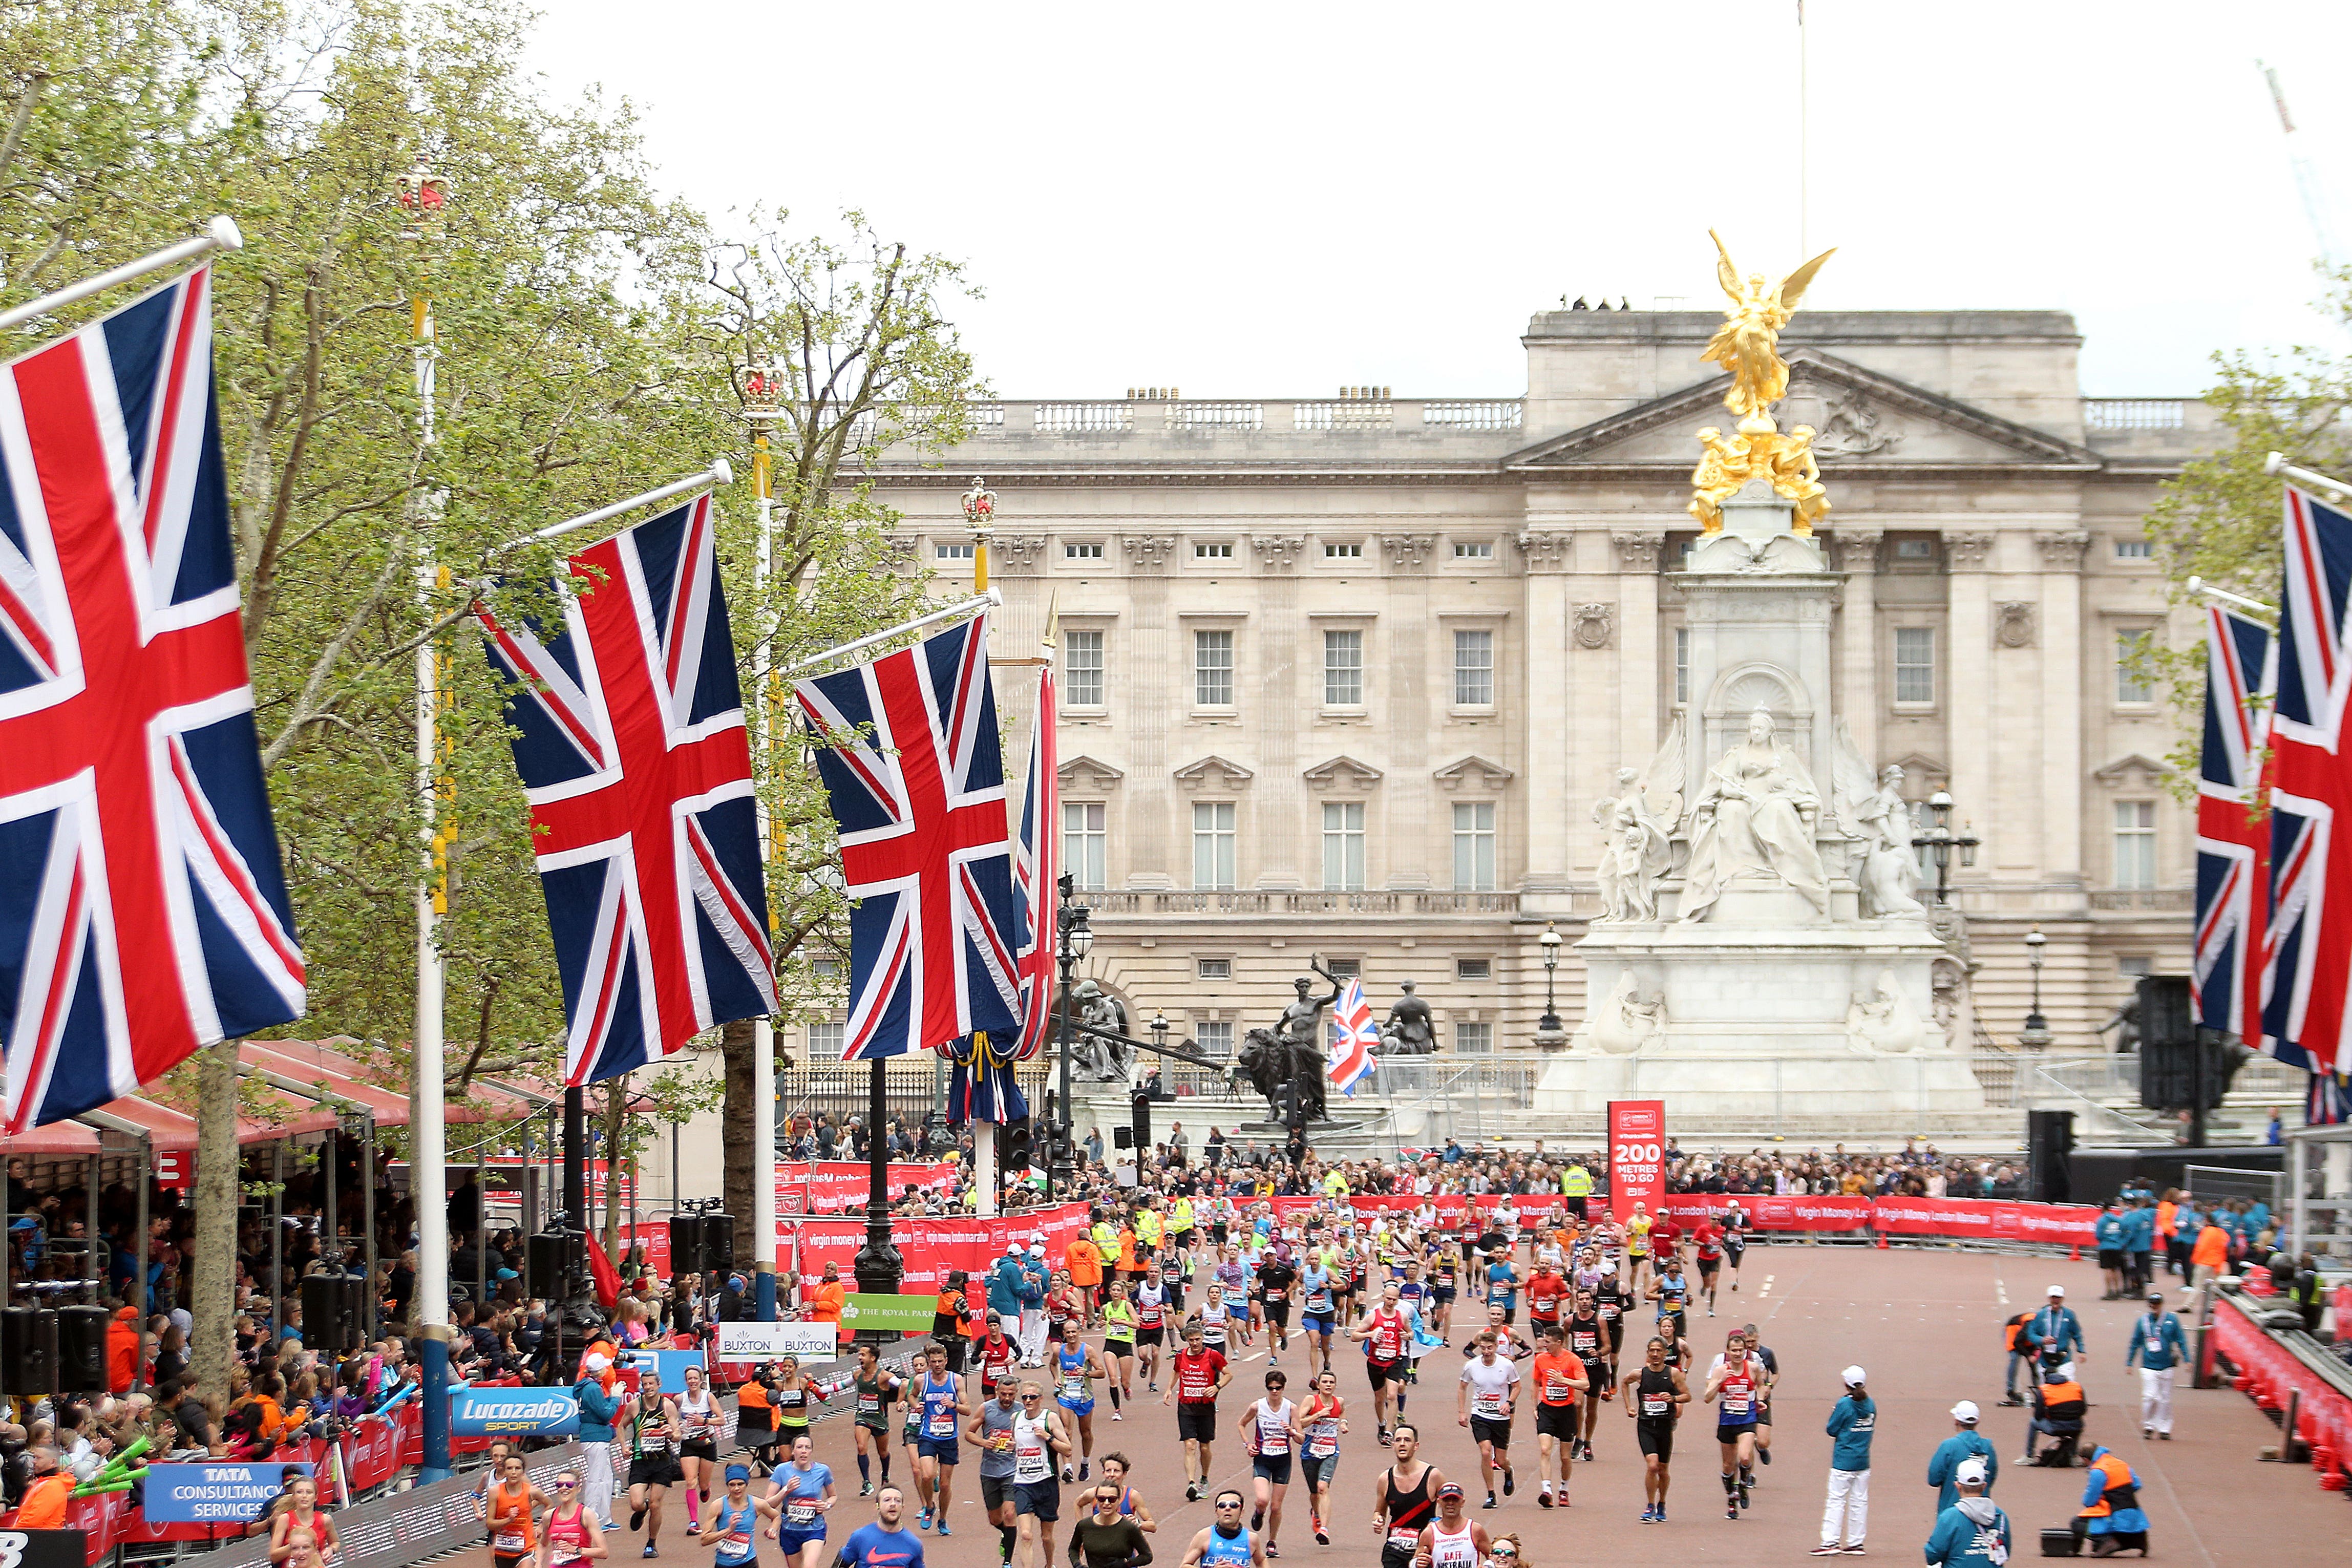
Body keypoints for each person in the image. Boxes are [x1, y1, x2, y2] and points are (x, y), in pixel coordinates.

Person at [1234, 1369, 1302, 1555]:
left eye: (1278, 1388)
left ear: (1283, 1388)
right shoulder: (1258, 1406)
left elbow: (1301, 1439)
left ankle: (1272, 1542)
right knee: (1263, 1499)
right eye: (1271, 1388)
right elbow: (1241, 1423)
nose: (1274, 1392)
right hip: (1263, 1458)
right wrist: (1247, 1444)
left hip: (1283, 1460)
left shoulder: (1291, 1408)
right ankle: (1259, 1512)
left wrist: (1292, 1432)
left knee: (1276, 1506)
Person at [1621, 1336, 1687, 1525]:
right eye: (1652, 1351)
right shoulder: (1640, 1373)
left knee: (1664, 1470)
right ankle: (1650, 1505)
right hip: (1646, 1425)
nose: (1656, 1354)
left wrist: (1673, 1399)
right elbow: (1625, 1383)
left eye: (1659, 1351)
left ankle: (1662, 1503)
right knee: (1652, 1466)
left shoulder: (1674, 1374)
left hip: (1665, 1426)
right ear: (1648, 1354)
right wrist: (1629, 1407)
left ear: (1666, 1353)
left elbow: (1688, 1395)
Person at [1164, 1319, 1231, 1502]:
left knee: (1204, 1446)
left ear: (1203, 1339)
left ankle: (1204, 1478)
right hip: (1186, 1405)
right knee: (1189, 1444)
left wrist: (1217, 1387)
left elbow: (1229, 1374)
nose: (1194, 1343)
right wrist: (1169, 1389)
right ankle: (1192, 1483)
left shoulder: (1213, 1355)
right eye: (1191, 1340)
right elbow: (1176, 1371)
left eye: (1197, 1340)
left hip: (1206, 1406)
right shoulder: (1181, 1356)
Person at [1010, 1382, 1075, 1568]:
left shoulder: (1050, 1418)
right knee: (1026, 1535)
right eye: (1024, 1397)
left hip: (1046, 1482)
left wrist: (1048, 1437)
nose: (1028, 1401)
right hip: (1022, 1483)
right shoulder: (1016, 1418)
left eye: (1032, 1397)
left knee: (1046, 1537)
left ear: (1041, 1399)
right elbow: (1017, 1445)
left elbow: (1068, 1450)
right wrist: (1011, 1447)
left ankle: (1049, 1564)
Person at [1702, 1328, 1764, 1521]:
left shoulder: (1753, 1368)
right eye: (1734, 1351)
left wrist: (1760, 1399)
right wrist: (1720, 1381)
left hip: (1747, 1419)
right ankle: (1731, 1500)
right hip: (1727, 1421)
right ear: (1728, 1352)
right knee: (1728, 1465)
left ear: (1745, 1351)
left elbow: (1761, 1384)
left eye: (1741, 1351)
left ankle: (1744, 1484)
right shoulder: (1721, 1370)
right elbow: (1707, 1398)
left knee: (1745, 1457)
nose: (1737, 1354)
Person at [1455, 1331, 1518, 1510]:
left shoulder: (1506, 1365)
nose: (1486, 1352)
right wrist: (1462, 1412)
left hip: (1501, 1417)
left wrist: (1509, 1402)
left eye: (1490, 1348)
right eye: (1483, 1348)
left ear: (1497, 1347)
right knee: (1485, 1453)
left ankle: (1508, 1471)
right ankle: (1491, 1494)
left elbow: (1517, 1386)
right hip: (1480, 1415)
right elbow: (1462, 1388)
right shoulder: (1471, 1366)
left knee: (1500, 1459)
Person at [1814, 1366, 1874, 1556]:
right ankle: (1856, 1542)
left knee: (1836, 1500)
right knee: (1859, 1501)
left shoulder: (1844, 1405)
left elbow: (1832, 1429)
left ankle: (1830, 1541)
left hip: (1843, 1461)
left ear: (1846, 1384)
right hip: (1863, 1460)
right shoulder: (1871, 1404)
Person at [1525, 1325, 1586, 1510]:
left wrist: (1564, 1381)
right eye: (1544, 1341)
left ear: (1559, 1343)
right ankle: (1547, 1490)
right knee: (1545, 1450)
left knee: (1565, 1457)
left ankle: (1564, 1488)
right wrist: (1535, 1406)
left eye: (1549, 1342)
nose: (1545, 1345)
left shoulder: (1573, 1360)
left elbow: (1585, 1384)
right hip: (1547, 1410)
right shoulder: (1541, 1360)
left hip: (1567, 1411)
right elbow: (1536, 1383)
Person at [626, 1371, 684, 1558]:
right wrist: (623, 1447)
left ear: (659, 1385)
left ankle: (651, 1543)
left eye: (651, 1384)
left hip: (662, 1461)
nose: (648, 1387)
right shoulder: (635, 1405)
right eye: (645, 1384)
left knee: (656, 1505)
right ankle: (642, 1510)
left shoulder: (668, 1406)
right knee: (636, 1503)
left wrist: (670, 1434)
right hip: (640, 1461)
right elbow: (620, 1426)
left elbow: (677, 1435)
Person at [1370, 1424, 1445, 1568]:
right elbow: (1379, 1512)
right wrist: (1378, 1520)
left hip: (1424, 1551)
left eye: (1407, 1440)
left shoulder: (1433, 1476)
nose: (1402, 1444)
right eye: (1398, 1440)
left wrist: (1436, 1524)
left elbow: (1450, 1509)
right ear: (1393, 1445)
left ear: (1416, 1446)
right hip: (1394, 1549)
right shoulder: (1385, 1479)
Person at [1349, 1281, 1415, 1444]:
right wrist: (1370, 1335)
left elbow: (1411, 1332)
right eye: (1389, 1299)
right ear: (1383, 1297)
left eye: (1394, 1299)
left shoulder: (1402, 1316)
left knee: (1392, 1395)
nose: (1391, 1302)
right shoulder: (1373, 1316)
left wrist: (1409, 1336)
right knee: (1380, 1398)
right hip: (1376, 1362)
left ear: (1398, 1301)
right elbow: (1354, 1336)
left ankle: (1389, 1432)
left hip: (1394, 1361)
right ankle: (1382, 1423)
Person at [913, 1343, 967, 1535]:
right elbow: (911, 1397)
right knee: (927, 1475)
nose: (937, 1365)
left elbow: (968, 1409)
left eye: (940, 1361)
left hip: (949, 1437)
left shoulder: (956, 1380)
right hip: (928, 1435)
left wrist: (954, 1405)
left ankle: (943, 1519)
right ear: (929, 1362)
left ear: (946, 1361)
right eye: (933, 1362)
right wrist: (916, 1406)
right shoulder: (922, 1380)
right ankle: (929, 1506)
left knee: (945, 1484)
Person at [762, 1432, 837, 1568]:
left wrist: (826, 1505)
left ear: (811, 1451)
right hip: (790, 1529)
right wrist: (786, 1490)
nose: (804, 1451)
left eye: (808, 1448)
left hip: (815, 1527)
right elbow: (768, 1504)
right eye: (800, 1447)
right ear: (793, 1451)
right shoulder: (782, 1470)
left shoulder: (823, 1471)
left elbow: (833, 1496)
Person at [969, 1375, 1024, 1560]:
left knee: (1010, 1514)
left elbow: (1031, 1439)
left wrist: (1016, 1444)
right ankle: (1007, 1535)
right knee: (995, 1519)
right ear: (996, 1392)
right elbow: (969, 1434)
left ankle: (1007, 1561)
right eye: (1003, 1394)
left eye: (1011, 1394)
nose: (1007, 1398)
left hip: (1012, 1471)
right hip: (990, 1471)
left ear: (1017, 1393)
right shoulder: (986, 1409)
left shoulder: (1022, 1412)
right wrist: (984, 1442)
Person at [2123, 1291, 2186, 1440]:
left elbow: (2181, 1340)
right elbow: (2135, 1342)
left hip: (2167, 1365)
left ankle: (2165, 1428)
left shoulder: (2172, 1320)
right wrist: (2129, 1362)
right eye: (2152, 1304)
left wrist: (2187, 1359)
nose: (2155, 1307)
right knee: (2150, 1396)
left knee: (2165, 1399)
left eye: (2157, 1304)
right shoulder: (2142, 1322)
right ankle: (2148, 1425)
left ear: (2162, 1305)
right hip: (2148, 1365)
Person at [1922, 1459, 2008, 1568]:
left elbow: (1933, 1553)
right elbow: (2005, 1551)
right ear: (1984, 1486)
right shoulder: (2000, 1516)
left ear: (1958, 1486)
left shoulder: (1950, 1517)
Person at [2073, 1440, 2149, 1558]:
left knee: (2077, 1523)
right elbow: (2137, 1485)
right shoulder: (2121, 1464)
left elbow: (2090, 1501)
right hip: (2134, 1513)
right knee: (2124, 1529)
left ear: (2086, 1459)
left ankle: (2107, 1541)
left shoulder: (2098, 1471)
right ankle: (2139, 1541)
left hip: (2114, 1514)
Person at [1297, 1369, 1346, 1545]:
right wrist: (1317, 1415)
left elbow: (1342, 1413)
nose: (1328, 1385)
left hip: (1331, 1451)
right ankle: (1316, 1514)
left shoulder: (1338, 1401)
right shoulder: (1311, 1401)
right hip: (1310, 1452)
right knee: (1314, 1493)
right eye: (1325, 1382)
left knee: (1322, 1487)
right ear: (1318, 1385)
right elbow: (1297, 1423)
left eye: (1331, 1383)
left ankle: (1324, 1529)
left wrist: (1343, 1424)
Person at [1055, 1334, 1112, 1481]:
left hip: (1084, 1397)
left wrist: (1087, 1373)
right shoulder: (1059, 1351)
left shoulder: (1088, 1350)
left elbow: (1102, 1372)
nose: (1071, 1335)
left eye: (1074, 1331)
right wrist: (1056, 1378)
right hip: (1066, 1396)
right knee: (1066, 1431)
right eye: (1068, 1332)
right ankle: (1068, 1469)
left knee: (1085, 1433)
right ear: (1064, 1334)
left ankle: (1085, 1463)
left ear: (1078, 1332)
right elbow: (1052, 1364)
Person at [1925, 1402, 1997, 1514]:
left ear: (1956, 1421)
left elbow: (1933, 1479)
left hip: (1952, 1511)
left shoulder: (1949, 1446)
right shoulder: (1988, 1449)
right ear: (1977, 1422)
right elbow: (1991, 1478)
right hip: (1983, 1513)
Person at [852, 1344, 904, 1495]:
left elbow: (905, 1385)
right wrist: (819, 1390)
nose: (859, 1357)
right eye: (859, 1354)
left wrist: (902, 1400)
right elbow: (840, 1386)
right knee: (861, 1447)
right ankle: (866, 1482)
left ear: (873, 1358)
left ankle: (885, 1476)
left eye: (863, 1355)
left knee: (883, 1452)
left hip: (880, 1420)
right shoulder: (858, 1375)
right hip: (862, 1417)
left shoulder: (884, 1376)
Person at [484, 1453, 552, 1568]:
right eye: (509, 1468)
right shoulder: (495, 1492)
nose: (514, 1472)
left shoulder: (532, 1491)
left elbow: (549, 1504)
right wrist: (509, 1520)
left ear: (523, 1472)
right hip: (503, 1551)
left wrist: (541, 1526)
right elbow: (490, 1524)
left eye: (518, 1468)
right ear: (505, 1472)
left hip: (527, 1548)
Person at [838, 1483, 927, 1568]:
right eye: (887, 1500)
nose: (893, 1504)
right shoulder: (860, 1537)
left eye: (898, 1501)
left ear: (903, 1507)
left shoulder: (914, 1544)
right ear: (878, 1506)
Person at [1069, 1481, 1154, 1568]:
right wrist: (1078, 1565)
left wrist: (1126, 1564)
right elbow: (1073, 1549)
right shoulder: (1084, 1526)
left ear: (1119, 1500)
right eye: (1101, 1499)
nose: (1106, 1503)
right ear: (1096, 1500)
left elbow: (1147, 1556)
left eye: (1112, 1499)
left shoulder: (1129, 1528)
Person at [676, 1364, 720, 1532]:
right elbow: (672, 1417)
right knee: (690, 1482)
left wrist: (706, 1421)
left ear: (701, 1380)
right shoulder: (680, 1399)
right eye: (689, 1379)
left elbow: (722, 1419)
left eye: (695, 1378)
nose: (692, 1381)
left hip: (707, 1443)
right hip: (689, 1444)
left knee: (702, 1484)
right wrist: (677, 1427)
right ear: (686, 1382)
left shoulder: (708, 1398)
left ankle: (706, 1488)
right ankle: (694, 1522)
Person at [703, 1465, 770, 1568]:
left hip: (749, 1562)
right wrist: (729, 1530)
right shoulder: (718, 1506)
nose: (737, 1488)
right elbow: (704, 1540)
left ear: (747, 1484)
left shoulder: (757, 1504)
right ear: (728, 1486)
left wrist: (773, 1529)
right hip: (724, 1564)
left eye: (741, 1484)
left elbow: (776, 1516)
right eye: (732, 1485)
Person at [540, 1469, 609, 1568]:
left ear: (579, 1488)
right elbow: (543, 1544)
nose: (564, 1488)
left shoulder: (586, 1514)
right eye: (560, 1485)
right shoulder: (549, 1516)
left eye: (569, 1484)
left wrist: (576, 1550)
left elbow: (604, 1552)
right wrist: (538, 1565)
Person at [1408, 1482, 1487, 1568]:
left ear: (1463, 1502)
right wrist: (1418, 1564)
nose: (1450, 1503)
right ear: (1439, 1502)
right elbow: (1415, 1562)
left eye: (1455, 1499)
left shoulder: (1475, 1530)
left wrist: (1488, 1566)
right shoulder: (1429, 1533)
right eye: (1446, 1499)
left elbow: (1493, 1555)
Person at [1177, 1489, 1263, 1568]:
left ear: (1242, 1512)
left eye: (1234, 1505)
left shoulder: (1251, 1539)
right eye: (1222, 1505)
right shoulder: (1204, 1536)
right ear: (1217, 1512)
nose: (1228, 1508)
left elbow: (1262, 1561)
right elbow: (1185, 1565)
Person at [2023, 1362, 2086, 1467]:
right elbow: (2083, 1410)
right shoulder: (2076, 1386)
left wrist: (2050, 1415)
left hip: (2055, 1427)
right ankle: (2074, 1456)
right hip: (2076, 1428)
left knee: (2033, 1422)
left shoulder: (2044, 1390)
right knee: (2077, 1421)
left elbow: (2038, 1416)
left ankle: (2029, 1456)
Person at [2021, 1285, 2084, 1370]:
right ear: (2049, 1298)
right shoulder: (2041, 1315)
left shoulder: (2069, 1315)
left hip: (2064, 1358)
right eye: (2053, 1297)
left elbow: (2077, 1334)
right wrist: (2041, 1340)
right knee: (2045, 1383)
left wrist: (2081, 1350)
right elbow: (2031, 1333)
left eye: (2058, 1297)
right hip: (2045, 1358)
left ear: (2062, 1299)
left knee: (2066, 1383)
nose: (2056, 1300)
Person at [1101, 1280, 1138, 1413]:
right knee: (1112, 1377)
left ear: (1122, 1293)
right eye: (1114, 1290)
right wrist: (1102, 1323)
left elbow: (1137, 1325)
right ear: (1110, 1292)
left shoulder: (1127, 1306)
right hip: (1110, 1344)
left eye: (1118, 1291)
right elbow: (1102, 1320)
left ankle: (1127, 1389)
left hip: (1125, 1345)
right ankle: (1117, 1410)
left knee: (1125, 1382)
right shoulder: (1106, 1307)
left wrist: (1122, 1322)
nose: (1116, 1293)